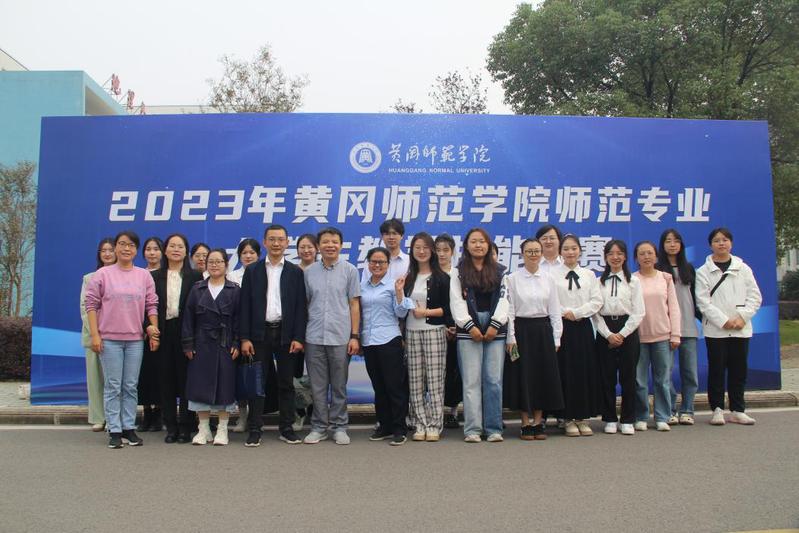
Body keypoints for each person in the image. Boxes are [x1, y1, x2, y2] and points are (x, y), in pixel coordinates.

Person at [84, 231, 159, 449]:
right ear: (115, 247)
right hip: (109, 339)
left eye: (131, 245)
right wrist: (95, 335)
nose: (126, 248)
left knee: (130, 386)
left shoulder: (143, 276)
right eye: (122, 244)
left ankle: (128, 427)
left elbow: (151, 304)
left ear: (136, 250)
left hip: (135, 339)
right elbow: (91, 304)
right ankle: (114, 430)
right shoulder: (103, 274)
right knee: (113, 386)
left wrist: (153, 331)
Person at [239, 224, 307, 447]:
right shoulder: (253, 271)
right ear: (265, 242)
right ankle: (255, 429)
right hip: (259, 334)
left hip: (286, 334)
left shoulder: (295, 272)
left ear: (287, 243)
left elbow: (300, 308)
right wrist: (245, 338)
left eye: (280, 239)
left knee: (286, 383)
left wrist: (298, 337)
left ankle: (286, 428)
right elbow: (245, 306)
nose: (276, 243)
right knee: (257, 383)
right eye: (272, 239)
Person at [695, 227, 762, 426]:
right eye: (717, 240)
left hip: (741, 328)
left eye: (724, 240)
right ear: (710, 245)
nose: (721, 243)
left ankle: (737, 410)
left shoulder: (743, 268)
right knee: (716, 370)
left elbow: (755, 296)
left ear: (730, 243)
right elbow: (702, 302)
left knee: (738, 371)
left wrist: (742, 317)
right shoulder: (703, 271)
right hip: (716, 330)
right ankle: (717, 409)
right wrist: (723, 320)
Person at [302, 227, 361, 445]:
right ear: (319, 246)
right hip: (314, 336)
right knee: (317, 387)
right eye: (325, 242)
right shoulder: (309, 272)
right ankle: (318, 427)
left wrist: (354, 335)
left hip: (340, 336)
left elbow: (354, 304)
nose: (330, 245)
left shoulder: (350, 270)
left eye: (334, 242)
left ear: (341, 245)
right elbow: (305, 304)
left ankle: (339, 426)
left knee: (339, 386)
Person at [450, 228, 509, 443]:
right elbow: (456, 301)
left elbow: (504, 299)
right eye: (473, 241)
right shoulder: (457, 272)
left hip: (495, 330)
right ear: (466, 246)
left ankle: (493, 428)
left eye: (482, 241)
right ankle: (473, 429)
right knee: (471, 381)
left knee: (493, 380)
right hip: (469, 330)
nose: (478, 245)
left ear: (488, 245)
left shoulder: (501, 271)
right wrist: (469, 326)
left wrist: (495, 324)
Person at [505, 238, 563, 441]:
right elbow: (509, 311)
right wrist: (511, 337)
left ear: (541, 253)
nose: (533, 255)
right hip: (521, 331)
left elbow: (555, 310)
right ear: (522, 254)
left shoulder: (549, 278)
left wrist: (556, 338)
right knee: (522, 375)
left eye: (537, 251)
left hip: (543, 332)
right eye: (529, 251)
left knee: (541, 376)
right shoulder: (512, 279)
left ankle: (538, 422)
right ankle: (524, 423)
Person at [182, 248, 241, 446]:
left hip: (225, 344)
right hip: (201, 344)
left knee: (225, 387)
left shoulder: (234, 290)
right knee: (199, 386)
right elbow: (188, 318)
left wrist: (237, 342)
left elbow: (239, 320)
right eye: (211, 262)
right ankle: (203, 429)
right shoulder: (197, 289)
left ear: (226, 265)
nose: (214, 265)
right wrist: (188, 344)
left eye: (219, 261)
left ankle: (222, 429)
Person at [153, 234, 204, 443]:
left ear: (186, 251)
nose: (176, 249)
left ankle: (185, 426)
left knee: (186, 380)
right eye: (172, 246)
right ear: (165, 250)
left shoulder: (196, 276)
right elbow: (149, 306)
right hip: (163, 332)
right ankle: (170, 426)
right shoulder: (155, 277)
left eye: (180, 246)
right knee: (165, 380)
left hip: (186, 332)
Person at [401, 232, 451, 442]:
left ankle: (434, 424)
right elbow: (402, 308)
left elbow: (449, 310)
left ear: (432, 250)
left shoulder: (442, 277)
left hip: (434, 332)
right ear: (412, 251)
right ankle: (419, 423)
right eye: (417, 248)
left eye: (425, 247)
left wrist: (427, 312)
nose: (421, 251)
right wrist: (398, 292)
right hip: (412, 332)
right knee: (415, 381)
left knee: (435, 380)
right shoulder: (409, 278)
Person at [553, 234, 603, 437]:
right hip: (562, 327)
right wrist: (565, 312)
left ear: (580, 251)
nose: (570, 252)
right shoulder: (552, 275)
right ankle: (567, 418)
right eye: (566, 249)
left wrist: (578, 312)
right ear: (560, 252)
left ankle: (582, 418)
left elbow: (597, 301)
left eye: (574, 248)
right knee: (565, 371)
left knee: (583, 371)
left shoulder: (589, 274)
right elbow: (550, 300)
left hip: (582, 327)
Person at [593, 240, 645, 436]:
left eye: (619, 253)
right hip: (605, 330)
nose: (615, 257)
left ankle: (628, 419)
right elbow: (595, 311)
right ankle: (609, 418)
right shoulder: (598, 281)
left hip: (628, 331)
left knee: (628, 377)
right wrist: (608, 334)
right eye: (611, 254)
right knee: (606, 377)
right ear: (605, 257)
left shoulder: (634, 281)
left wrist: (622, 334)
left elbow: (639, 312)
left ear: (625, 257)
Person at [360, 247, 410, 446]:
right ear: (368, 263)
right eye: (373, 261)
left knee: (394, 386)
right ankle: (385, 425)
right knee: (378, 386)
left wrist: (399, 293)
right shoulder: (361, 286)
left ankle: (399, 428)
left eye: (381, 262)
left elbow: (401, 313)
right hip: (368, 341)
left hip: (389, 340)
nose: (377, 265)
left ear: (388, 265)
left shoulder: (393, 285)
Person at [633, 240, 681, 432]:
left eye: (649, 253)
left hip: (662, 336)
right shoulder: (632, 279)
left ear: (656, 256)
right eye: (642, 254)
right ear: (636, 258)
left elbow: (674, 307)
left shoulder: (666, 278)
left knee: (662, 380)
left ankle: (663, 416)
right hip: (639, 337)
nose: (646, 257)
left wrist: (675, 334)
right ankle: (642, 416)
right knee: (639, 380)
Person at [657, 228, 701, 426]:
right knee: (665, 374)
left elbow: (696, 299)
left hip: (688, 327)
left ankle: (687, 410)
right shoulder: (657, 269)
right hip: (665, 329)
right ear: (662, 245)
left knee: (689, 372)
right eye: (668, 241)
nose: (672, 244)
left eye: (676, 240)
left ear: (681, 244)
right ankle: (670, 410)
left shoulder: (688, 269)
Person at [80, 237, 116, 432]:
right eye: (104, 250)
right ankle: (98, 417)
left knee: (114, 380)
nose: (107, 254)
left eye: (111, 250)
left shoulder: (123, 276)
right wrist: (96, 332)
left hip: (117, 336)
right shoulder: (89, 278)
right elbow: (85, 308)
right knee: (95, 379)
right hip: (94, 336)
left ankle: (113, 418)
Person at [226, 238, 262, 434]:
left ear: (258, 255)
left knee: (257, 377)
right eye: (244, 253)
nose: (248, 256)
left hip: (259, 333)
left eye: (252, 253)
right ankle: (242, 416)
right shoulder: (232, 276)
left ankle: (257, 417)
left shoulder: (264, 274)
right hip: (237, 332)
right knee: (241, 376)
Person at [137, 237, 165, 432]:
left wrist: (156, 328)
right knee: (143, 374)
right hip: (141, 331)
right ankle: (146, 413)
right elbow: (137, 305)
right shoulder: (138, 274)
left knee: (160, 373)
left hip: (161, 329)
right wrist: (146, 326)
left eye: (156, 249)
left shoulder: (166, 274)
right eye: (148, 249)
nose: (152, 252)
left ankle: (159, 413)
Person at [435, 233, 462, 429]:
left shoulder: (459, 274)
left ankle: (453, 411)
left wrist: (458, 327)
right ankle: (436, 412)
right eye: (438, 250)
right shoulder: (430, 274)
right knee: (437, 372)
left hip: (459, 327)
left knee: (456, 370)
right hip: (436, 327)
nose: (441, 254)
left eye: (446, 250)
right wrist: (442, 326)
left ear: (452, 252)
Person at [361, 218, 410, 282]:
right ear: (382, 237)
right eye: (387, 234)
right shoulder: (372, 261)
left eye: (394, 233)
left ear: (402, 236)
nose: (391, 237)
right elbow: (365, 284)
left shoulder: (409, 261)